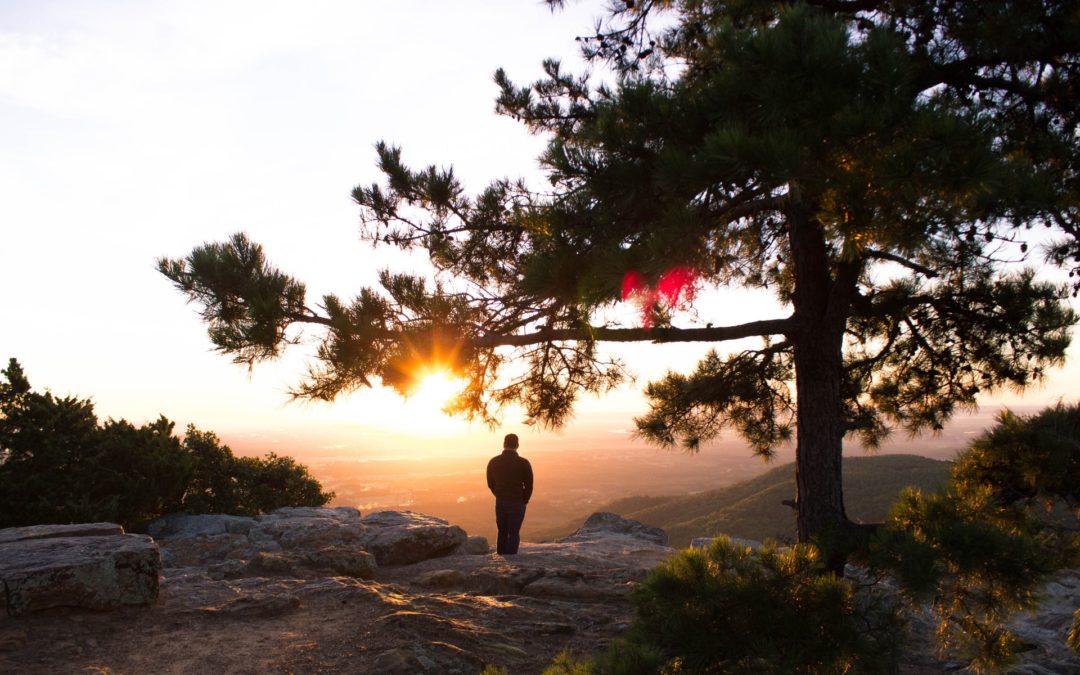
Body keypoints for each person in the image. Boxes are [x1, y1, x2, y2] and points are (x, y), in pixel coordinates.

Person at [486, 433, 533, 555]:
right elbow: (529, 485)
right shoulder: (523, 463)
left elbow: (490, 483)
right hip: (517, 501)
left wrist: (498, 494)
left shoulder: (494, 462)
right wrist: (524, 500)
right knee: (513, 532)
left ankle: (501, 558)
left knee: (502, 531)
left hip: (501, 501)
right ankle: (511, 560)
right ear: (517, 445)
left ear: (503, 444)